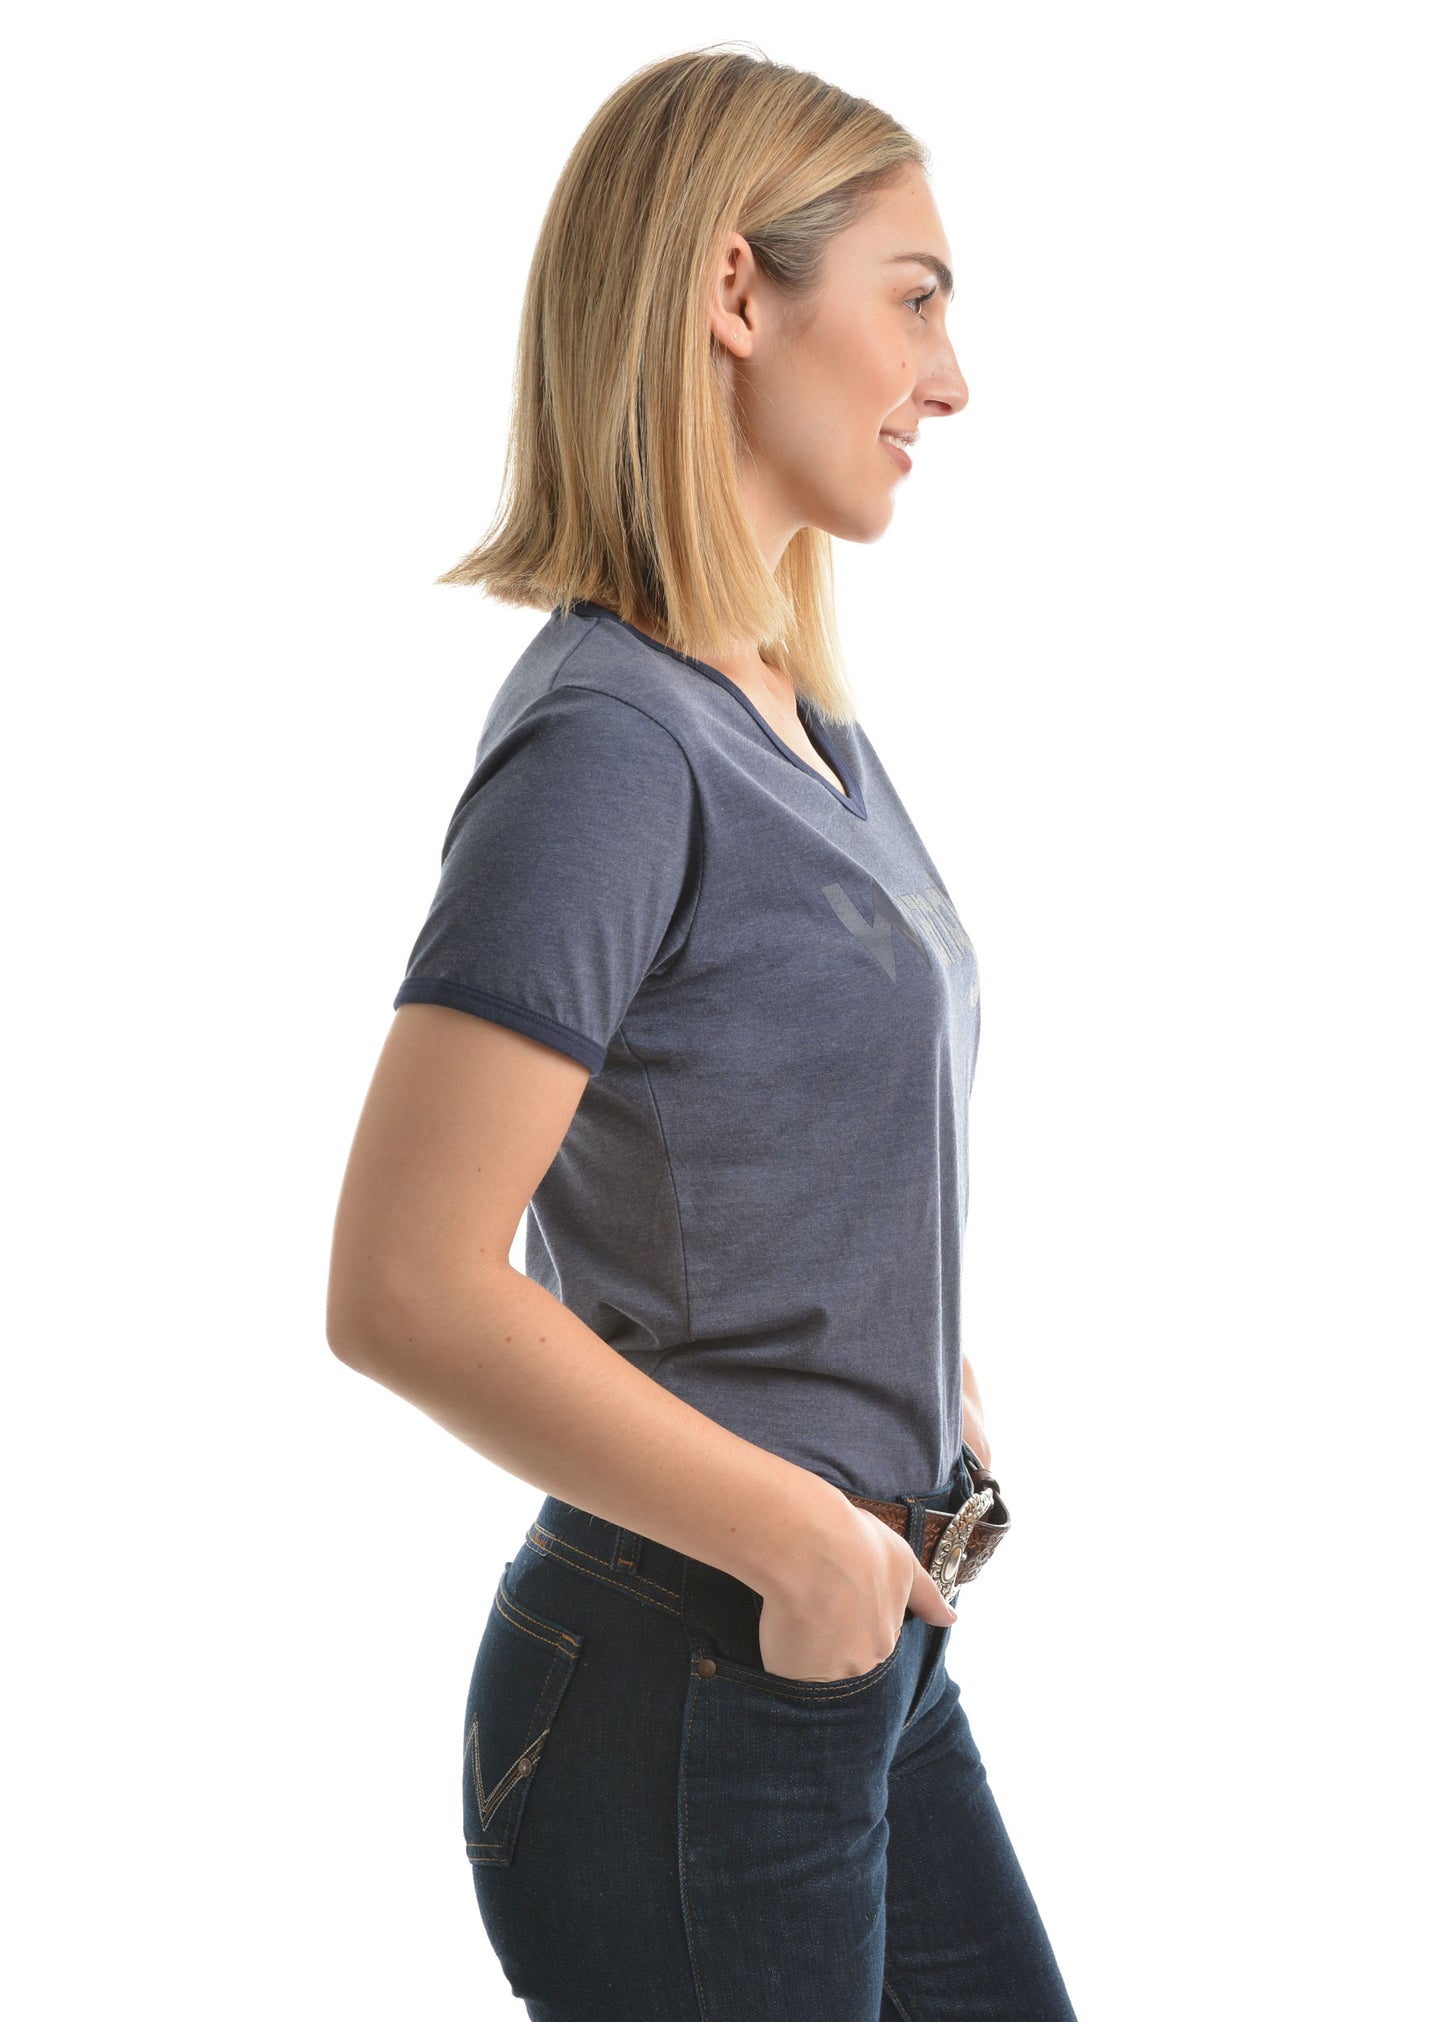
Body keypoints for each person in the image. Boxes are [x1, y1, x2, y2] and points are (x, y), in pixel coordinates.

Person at [327, 43, 1078, 2022]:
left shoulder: (797, 726)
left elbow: (768, 1116)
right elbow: (401, 1283)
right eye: (915, 298)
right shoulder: (611, 745)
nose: (949, 378)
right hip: (698, 1676)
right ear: (738, 293)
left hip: (855, 1651)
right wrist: (802, 1541)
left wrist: (908, 1377)